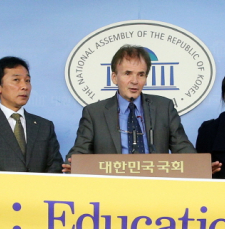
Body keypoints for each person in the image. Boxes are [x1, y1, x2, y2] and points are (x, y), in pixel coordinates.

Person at [64, 45, 196, 171]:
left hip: (156, 180)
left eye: (141, 74)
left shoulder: (164, 107)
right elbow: (80, 151)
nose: (134, 81)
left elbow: (182, 147)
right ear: (114, 77)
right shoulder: (94, 113)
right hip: (112, 182)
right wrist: (74, 163)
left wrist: (198, 165)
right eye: (128, 73)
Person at [0, 56, 63, 172]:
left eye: (27, 81)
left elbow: (55, 167)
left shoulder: (45, 126)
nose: (24, 86)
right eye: (16, 80)